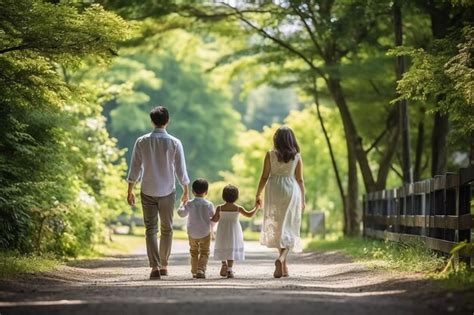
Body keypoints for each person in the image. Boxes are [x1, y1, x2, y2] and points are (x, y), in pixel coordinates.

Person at [126, 106, 190, 280]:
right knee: (167, 229)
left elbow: (135, 168)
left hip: (147, 189)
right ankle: (164, 265)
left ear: (152, 121)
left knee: (150, 229)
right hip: (167, 190)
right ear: (167, 121)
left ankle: (154, 266)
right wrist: (186, 190)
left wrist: (130, 190)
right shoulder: (175, 142)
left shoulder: (141, 141)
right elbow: (180, 169)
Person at [255, 126, 305, 278]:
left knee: (278, 226)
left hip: (273, 189)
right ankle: (282, 260)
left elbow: (264, 176)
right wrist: (303, 199)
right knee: (289, 226)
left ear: (276, 139)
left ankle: (283, 265)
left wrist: (258, 194)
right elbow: (300, 179)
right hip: (291, 190)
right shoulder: (296, 156)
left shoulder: (270, 155)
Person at [212, 184, 259, 278]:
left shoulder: (219, 208)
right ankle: (229, 270)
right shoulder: (238, 208)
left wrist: (209, 217)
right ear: (236, 197)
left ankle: (223, 263)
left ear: (223, 196)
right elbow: (249, 215)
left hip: (222, 231)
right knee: (231, 248)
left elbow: (215, 219)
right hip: (234, 231)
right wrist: (256, 207)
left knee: (222, 246)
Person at [177, 179, 215, 279]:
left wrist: (182, 204)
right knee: (204, 252)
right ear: (206, 192)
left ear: (193, 191)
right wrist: (212, 229)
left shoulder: (189, 204)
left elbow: (181, 214)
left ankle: (194, 271)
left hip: (192, 233)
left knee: (193, 251)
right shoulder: (209, 204)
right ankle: (201, 270)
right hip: (205, 232)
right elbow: (213, 218)